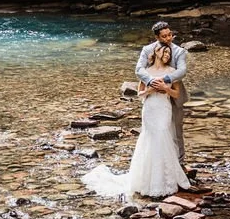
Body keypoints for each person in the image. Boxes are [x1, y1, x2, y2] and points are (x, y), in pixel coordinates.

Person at [82, 40, 191, 198]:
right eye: (164, 52)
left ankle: (166, 180)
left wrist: (166, 88)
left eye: (169, 53)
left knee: (163, 138)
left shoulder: (172, 71)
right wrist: (150, 89)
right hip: (150, 109)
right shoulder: (146, 72)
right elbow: (140, 94)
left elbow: (176, 94)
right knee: (149, 139)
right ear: (156, 53)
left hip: (164, 108)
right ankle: (147, 181)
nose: (167, 55)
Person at [135, 21, 188, 164]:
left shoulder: (179, 51)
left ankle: (179, 163)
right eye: (164, 36)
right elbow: (139, 70)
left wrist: (164, 80)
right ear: (157, 37)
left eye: (170, 34)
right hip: (154, 96)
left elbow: (182, 71)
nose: (169, 38)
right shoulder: (147, 50)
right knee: (154, 129)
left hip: (173, 92)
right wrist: (152, 82)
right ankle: (155, 163)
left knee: (176, 130)